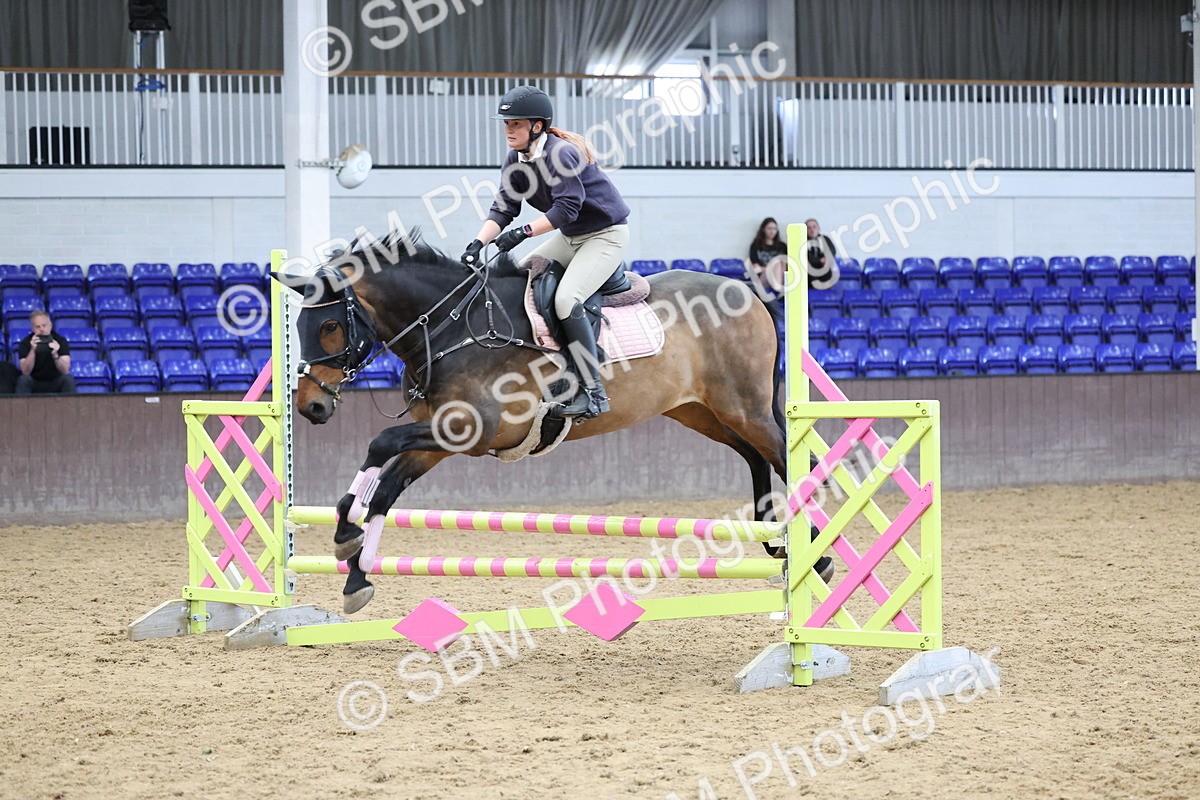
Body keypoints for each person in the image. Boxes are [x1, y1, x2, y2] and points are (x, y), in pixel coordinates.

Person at [461, 85, 630, 420]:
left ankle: (593, 391)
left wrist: (523, 233)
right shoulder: (516, 160)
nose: (508, 130)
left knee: (567, 299)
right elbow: (503, 208)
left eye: (516, 124)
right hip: (571, 237)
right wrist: (476, 244)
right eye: (506, 124)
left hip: (605, 236)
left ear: (537, 126)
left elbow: (567, 208)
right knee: (518, 280)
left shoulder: (561, 154)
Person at [16, 309, 76, 394]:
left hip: (55, 381)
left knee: (68, 379)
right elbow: (25, 372)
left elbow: (65, 370)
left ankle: (70, 407)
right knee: (23, 380)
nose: (42, 329)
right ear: (33, 328)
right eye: (38, 327)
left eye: (44, 325)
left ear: (50, 325)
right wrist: (33, 350)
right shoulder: (25, 343)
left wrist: (55, 354)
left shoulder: (60, 341)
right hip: (34, 382)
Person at [804, 217, 839, 288]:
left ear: (818, 228)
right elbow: (806, 257)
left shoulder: (825, 239)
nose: (812, 230)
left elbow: (832, 251)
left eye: (814, 227)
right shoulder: (802, 241)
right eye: (809, 228)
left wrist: (826, 259)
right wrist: (819, 260)